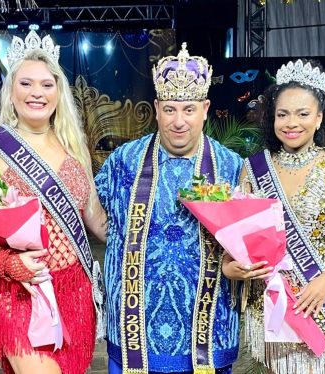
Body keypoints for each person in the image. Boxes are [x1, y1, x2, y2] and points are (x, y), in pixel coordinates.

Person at [0, 30, 106, 374]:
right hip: (18, 291)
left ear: (59, 92)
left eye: (46, 84)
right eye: (26, 84)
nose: (36, 93)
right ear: (11, 91)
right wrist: (7, 262)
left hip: (74, 289)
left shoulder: (74, 147)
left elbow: (96, 220)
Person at [95, 43, 243, 373]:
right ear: (157, 108)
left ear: (205, 108)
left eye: (188, 109)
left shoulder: (233, 168)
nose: (179, 121)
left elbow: (246, 241)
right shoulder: (124, 161)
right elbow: (98, 216)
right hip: (135, 324)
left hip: (209, 324)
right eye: (171, 109)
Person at [233, 59, 325, 373]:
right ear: (272, 118)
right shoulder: (253, 170)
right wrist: (234, 265)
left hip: (320, 299)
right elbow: (242, 240)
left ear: (320, 118)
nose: (291, 123)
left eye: (303, 114)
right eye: (282, 114)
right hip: (271, 301)